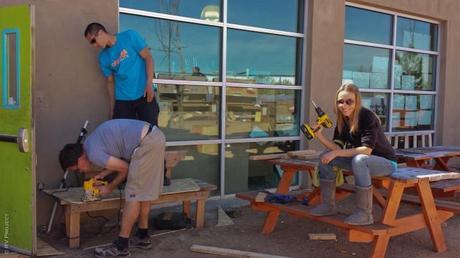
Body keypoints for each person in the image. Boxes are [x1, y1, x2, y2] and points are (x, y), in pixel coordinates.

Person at [59, 119, 165, 256]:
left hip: (146, 143)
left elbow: (124, 168)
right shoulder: (90, 144)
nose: (80, 171)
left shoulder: (93, 154)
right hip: (153, 137)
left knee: (133, 195)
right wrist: (103, 173)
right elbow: (117, 161)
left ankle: (121, 246)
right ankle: (142, 236)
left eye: (77, 169)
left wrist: (110, 187)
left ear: (80, 158)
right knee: (141, 192)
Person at [310, 83, 397, 225]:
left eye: (349, 101)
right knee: (325, 157)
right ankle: (328, 206)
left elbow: (366, 150)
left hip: (386, 163)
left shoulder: (367, 116)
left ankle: (365, 214)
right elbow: (336, 147)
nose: (344, 105)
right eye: (340, 102)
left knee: (359, 160)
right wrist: (319, 135)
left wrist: (337, 152)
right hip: (360, 161)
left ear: (357, 101)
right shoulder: (342, 119)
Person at [84, 23, 159, 125]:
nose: (94, 45)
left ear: (101, 33)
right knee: (123, 134)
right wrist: (112, 107)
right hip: (123, 99)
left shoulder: (129, 36)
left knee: (150, 133)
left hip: (143, 93)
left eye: (93, 41)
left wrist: (149, 83)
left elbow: (148, 57)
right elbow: (110, 81)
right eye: (91, 43)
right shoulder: (102, 57)